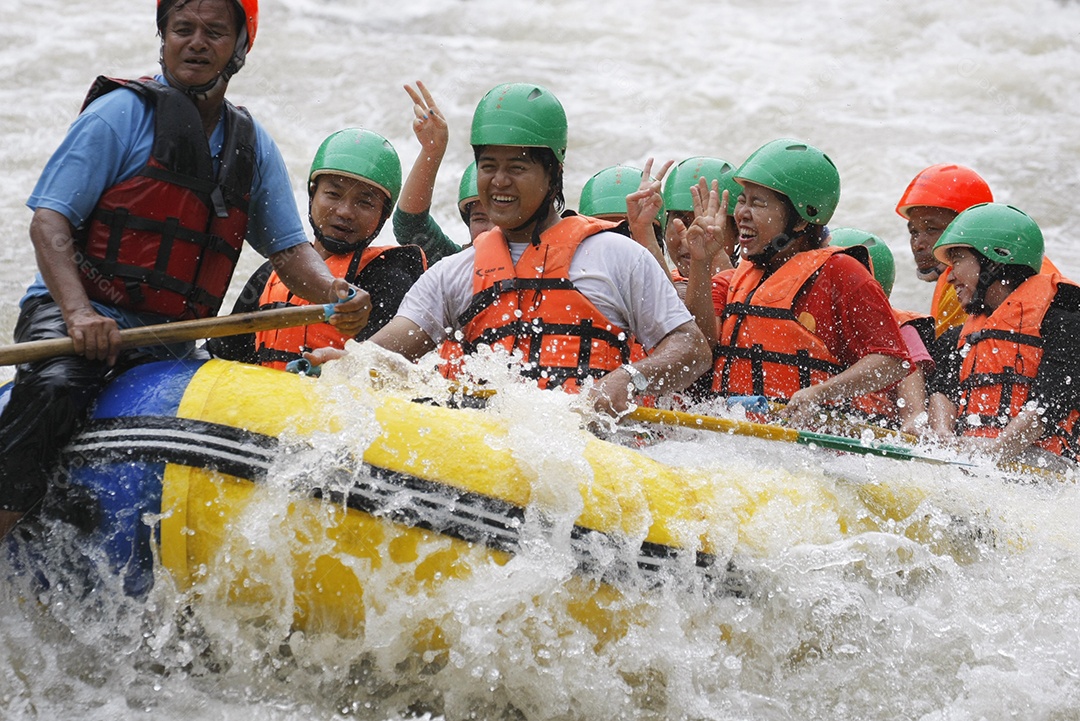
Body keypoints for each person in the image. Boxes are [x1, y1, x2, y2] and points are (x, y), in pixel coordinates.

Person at [0, 0, 370, 539]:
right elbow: (50, 222)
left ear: (240, 47)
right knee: (56, 388)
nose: (196, 42)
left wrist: (335, 290)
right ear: (164, 36)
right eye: (183, 29)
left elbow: (290, 253)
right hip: (75, 317)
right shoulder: (118, 115)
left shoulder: (252, 146)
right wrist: (79, 313)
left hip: (168, 340)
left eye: (214, 32)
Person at [310, 82, 712, 415]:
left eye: (516, 168)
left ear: (553, 173)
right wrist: (351, 362)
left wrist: (631, 378)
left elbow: (693, 349)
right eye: (488, 166)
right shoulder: (455, 272)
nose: (498, 181)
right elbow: (389, 349)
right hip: (489, 456)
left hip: (594, 454)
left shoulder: (616, 257)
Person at [708, 139, 912, 429]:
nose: (742, 213)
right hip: (735, 436)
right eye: (742, 199)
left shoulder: (841, 272)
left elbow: (893, 362)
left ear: (802, 221)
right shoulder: (737, 279)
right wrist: (702, 260)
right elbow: (700, 349)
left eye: (758, 203)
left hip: (811, 448)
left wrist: (821, 393)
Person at [209, 128, 426, 369]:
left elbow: (390, 366)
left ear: (383, 216)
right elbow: (220, 356)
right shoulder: (272, 272)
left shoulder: (390, 277)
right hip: (270, 399)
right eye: (333, 194)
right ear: (312, 194)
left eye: (364, 202)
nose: (345, 212)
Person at [927, 203, 1080, 468]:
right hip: (981, 464)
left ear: (995, 262)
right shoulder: (958, 338)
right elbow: (942, 391)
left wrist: (989, 456)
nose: (950, 277)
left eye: (959, 259)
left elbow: (1044, 410)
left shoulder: (1065, 325)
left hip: (1050, 469)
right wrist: (942, 438)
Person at [829, 228, 935, 434]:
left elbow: (913, 411)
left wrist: (912, 424)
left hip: (873, 430)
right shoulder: (813, 325)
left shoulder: (902, 331)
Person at [392, 81, 492, 265]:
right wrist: (432, 152)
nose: (492, 230)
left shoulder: (551, 258)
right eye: (479, 219)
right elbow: (409, 225)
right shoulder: (454, 265)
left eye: (502, 217)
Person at [579, 161, 671, 274]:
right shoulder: (569, 279)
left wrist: (643, 229)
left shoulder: (677, 288)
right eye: (604, 231)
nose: (616, 243)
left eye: (625, 231)